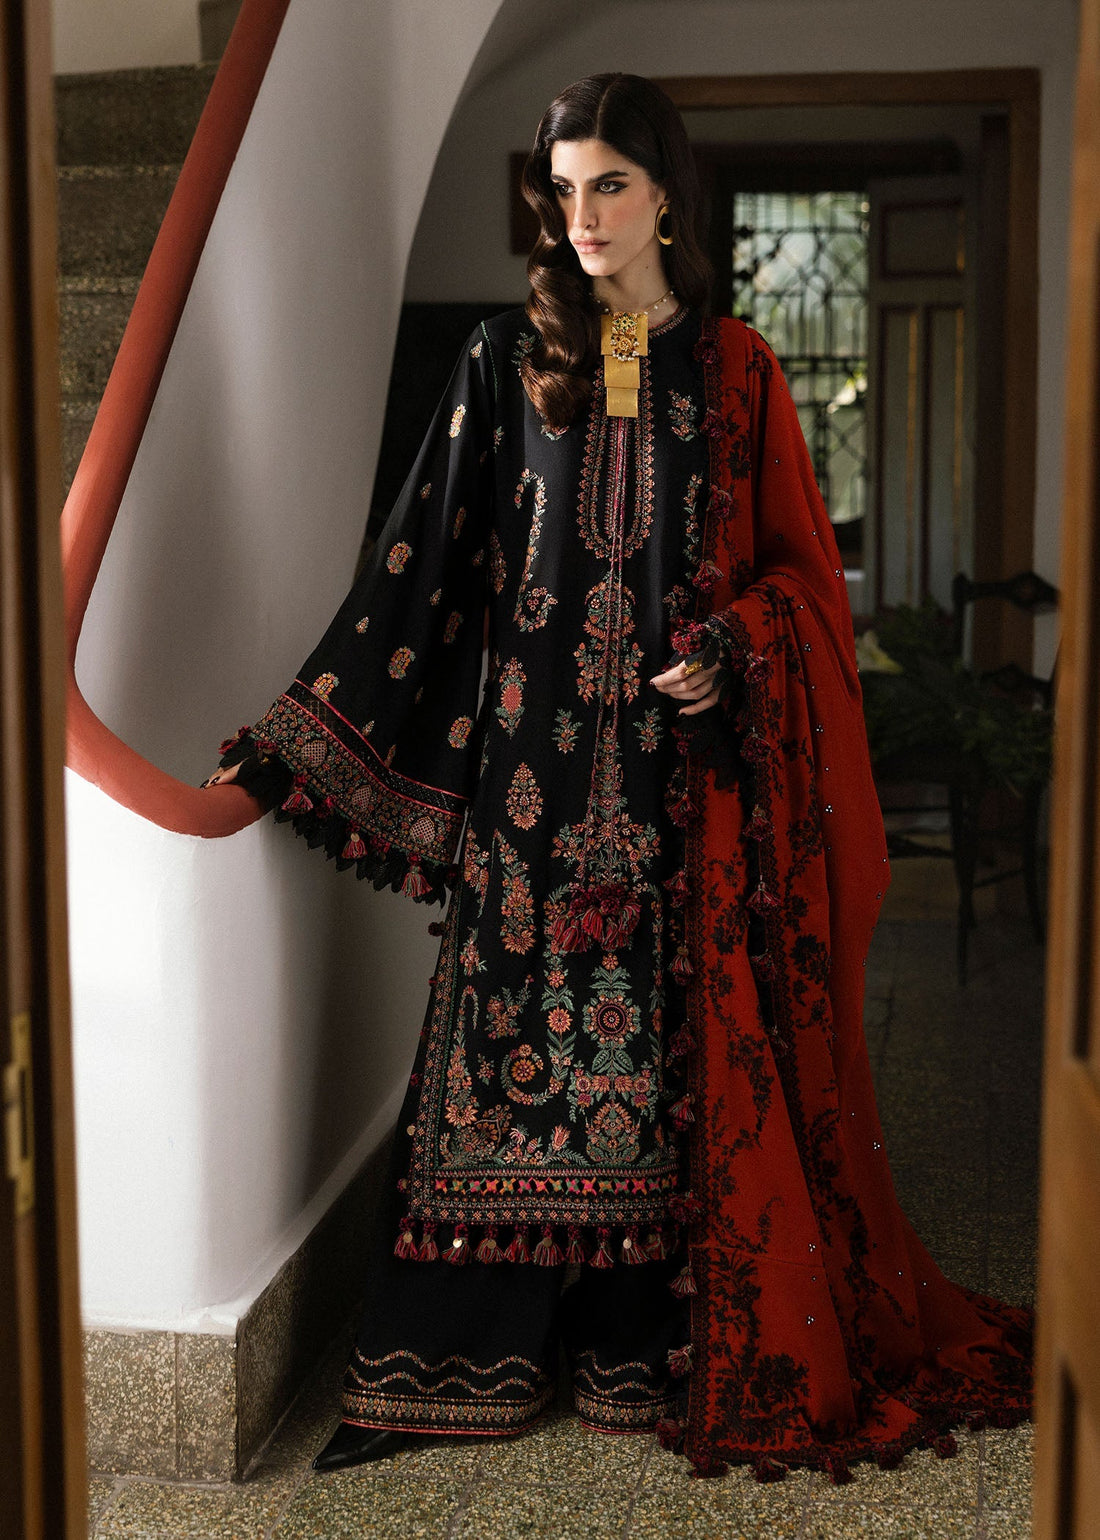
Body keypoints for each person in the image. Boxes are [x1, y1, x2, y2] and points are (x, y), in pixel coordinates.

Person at [204, 73, 1031, 1480]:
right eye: (564, 187)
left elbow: (802, 580)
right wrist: (307, 734)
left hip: (675, 789)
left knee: (656, 1059)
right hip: (526, 782)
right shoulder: (504, 358)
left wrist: (735, 646)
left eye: (611, 186)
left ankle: (641, 1347)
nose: (582, 215)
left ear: (666, 197)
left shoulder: (739, 369)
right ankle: (460, 1356)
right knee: (503, 1050)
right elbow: (420, 564)